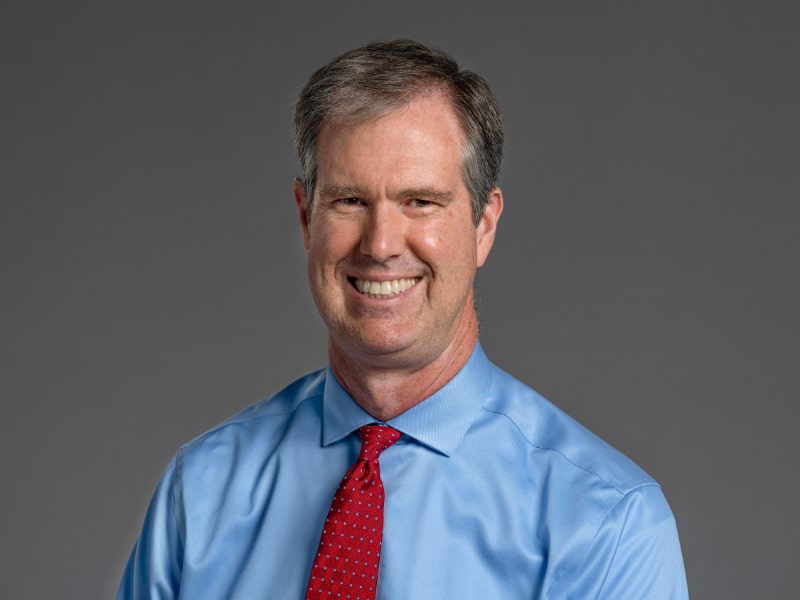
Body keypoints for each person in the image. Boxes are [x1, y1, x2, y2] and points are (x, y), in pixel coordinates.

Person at [118, 39, 688, 599]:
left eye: (420, 201)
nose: (381, 244)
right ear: (306, 217)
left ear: (483, 224)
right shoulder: (201, 492)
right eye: (350, 201)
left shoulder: (604, 527)